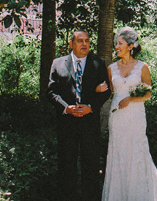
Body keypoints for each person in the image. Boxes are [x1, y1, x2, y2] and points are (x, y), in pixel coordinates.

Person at [102, 26, 157, 201]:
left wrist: (130, 100)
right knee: (118, 153)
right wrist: (99, 89)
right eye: (116, 44)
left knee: (137, 153)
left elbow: (148, 94)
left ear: (130, 46)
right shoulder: (111, 68)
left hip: (135, 116)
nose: (116, 47)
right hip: (118, 117)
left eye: (120, 44)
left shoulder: (143, 67)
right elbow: (108, 92)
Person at [47, 30, 112, 201]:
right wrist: (66, 108)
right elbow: (51, 92)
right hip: (66, 124)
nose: (84, 44)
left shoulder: (98, 63)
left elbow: (106, 92)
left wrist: (91, 107)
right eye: (80, 41)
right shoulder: (58, 63)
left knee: (90, 166)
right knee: (66, 166)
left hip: (89, 124)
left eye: (87, 41)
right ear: (71, 44)